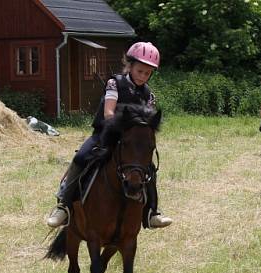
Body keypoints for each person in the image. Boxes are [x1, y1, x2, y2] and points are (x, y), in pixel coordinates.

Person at [45, 42, 172, 229]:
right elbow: (108, 113)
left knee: (149, 168)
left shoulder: (148, 94)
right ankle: (63, 205)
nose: (143, 76)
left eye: (147, 73)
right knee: (81, 157)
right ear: (130, 66)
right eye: (140, 71)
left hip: (130, 143)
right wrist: (121, 134)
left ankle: (152, 212)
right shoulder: (114, 83)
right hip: (104, 134)